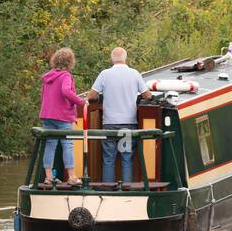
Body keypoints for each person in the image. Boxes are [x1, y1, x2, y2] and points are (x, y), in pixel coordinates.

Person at [86, 47, 151, 185]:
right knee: (127, 158)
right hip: (128, 124)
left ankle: (108, 189)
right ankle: (127, 189)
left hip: (109, 124)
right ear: (125, 58)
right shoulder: (134, 74)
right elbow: (147, 95)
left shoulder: (105, 74)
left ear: (112, 59)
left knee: (109, 158)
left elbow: (91, 95)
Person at [39, 47, 88, 187]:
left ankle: (48, 177)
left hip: (47, 115)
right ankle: (72, 176)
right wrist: (81, 102)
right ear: (70, 62)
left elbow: (43, 96)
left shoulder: (48, 77)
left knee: (50, 145)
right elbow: (66, 91)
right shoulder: (65, 76)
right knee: (67, 144)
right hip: (62, 115)